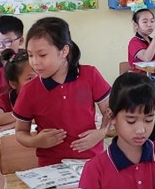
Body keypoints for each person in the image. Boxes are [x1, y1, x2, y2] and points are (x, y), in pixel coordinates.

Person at [13, 17, 111, 166]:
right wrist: (36, 141)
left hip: (91, 162)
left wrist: (101, 133)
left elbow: (111, 112)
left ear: (64, 51)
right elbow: (20, 132)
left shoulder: (90, 75)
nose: (35, 62)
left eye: (42, 55)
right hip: (51, 166)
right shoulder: (29, 90)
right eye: (30, 55)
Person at [0, 50, 37, 129]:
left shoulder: (46, 94)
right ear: (13, 84)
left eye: (40, 76)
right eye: (30, 78)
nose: (37, 82)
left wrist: (13, 124)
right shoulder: (3, 98)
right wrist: (28, 116)